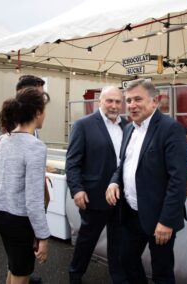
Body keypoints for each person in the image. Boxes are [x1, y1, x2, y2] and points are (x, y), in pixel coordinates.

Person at [106, 80, 187, 284]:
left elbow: (178, 180)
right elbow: (124, 165)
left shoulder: (171, 129)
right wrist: (114, 182)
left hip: (159, 217)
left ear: (155, 101)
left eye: (138, 99)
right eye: (129, 100)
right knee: (126, 260)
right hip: (132, 213)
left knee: (161, 271)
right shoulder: (128, 129)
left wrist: (166, 221)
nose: (132, 105)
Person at [66, 86, 128, 284]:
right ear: (100, 102)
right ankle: (75, 275)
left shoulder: (127, 126)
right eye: (109, 101)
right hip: (94, 196)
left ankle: (118, 277)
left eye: (118, 102)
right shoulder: (83, 125)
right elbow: (73, 162)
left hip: (122, 197)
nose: (114, 105)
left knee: (118, 242)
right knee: (87, 240)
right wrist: (77, 189)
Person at [0, 87, 51, 284]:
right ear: (36, 112)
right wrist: (43, 237)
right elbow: (34, 200)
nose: (45, 115)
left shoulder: (3, 139)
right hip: (19, 221)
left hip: (0, 215)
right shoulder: (35, 146)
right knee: (21, 271)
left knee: (14, 265)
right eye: (44, 110)